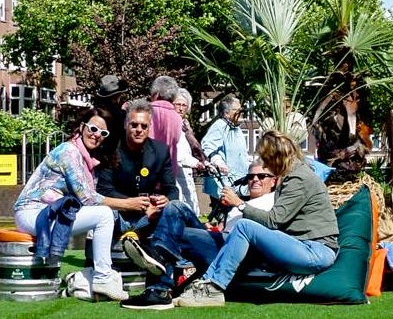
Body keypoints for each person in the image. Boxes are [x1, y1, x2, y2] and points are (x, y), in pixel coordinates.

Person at [176, 130, 339, 307]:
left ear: (275, 156)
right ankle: (206, 284)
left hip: (315, 250)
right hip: (306, 246)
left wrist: (240, 205)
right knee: (244, 228)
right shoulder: (294, 175)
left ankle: (214, 287)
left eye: (266, 158)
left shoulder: (298, 178)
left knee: (245, 226)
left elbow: (274, 220)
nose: (265, 164)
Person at [13, 107, 149, 301]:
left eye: (103, 133)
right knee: (103, 214)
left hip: (50, 213)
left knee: (102, 215)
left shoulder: (86, 159)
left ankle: (92, 276)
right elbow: (87, 198)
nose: (96, 135)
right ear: (81, 126)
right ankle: (103, 277)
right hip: (32, 213)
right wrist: (128, 204)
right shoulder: (69, 152)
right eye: (93, 129)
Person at [120, 159, 277, 310]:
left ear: (273, 181)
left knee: (169, 231)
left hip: (238, 252)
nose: (255, 180)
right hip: (220, 241)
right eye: (250, 177)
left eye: (261, 176)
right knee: (175, 207)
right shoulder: (241, 201)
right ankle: (158, 268)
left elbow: (266, 228)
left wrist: (238, 203)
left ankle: (158, 286)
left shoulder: (273, 202)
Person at [96, 98, 178, 237]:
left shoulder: (161, 151)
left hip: (149, 216)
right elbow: (104, 190)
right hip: (117, 214)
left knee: (177, 209)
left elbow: (172, 189)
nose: (139, 130)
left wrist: (166, 200)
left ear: (149, 127)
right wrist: (134, 204)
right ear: (125, 125)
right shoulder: (110, 149)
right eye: (134, 125)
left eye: (144, 126)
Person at [201, 94, 249, 211]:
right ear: (227, 113)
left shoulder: (237, 129)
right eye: (237, 110)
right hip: (223, 184)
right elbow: (207, 146)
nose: (241, 112)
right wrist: (218, 161)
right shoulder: (220, 126)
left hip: (238, 182)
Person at [173, 88, 205, 216]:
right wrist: (195, 163)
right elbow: (177, 153)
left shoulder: (186, 127)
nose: (181, 108)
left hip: (187, 175)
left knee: (192, 210)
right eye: (178, 104)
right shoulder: (172, 125)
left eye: (184, 106)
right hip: (176, 174)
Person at [149, 75, 182, 174]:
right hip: (169, 171)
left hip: (147, 170)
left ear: (157, 94)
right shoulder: (177, 117)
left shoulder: (146, 112)